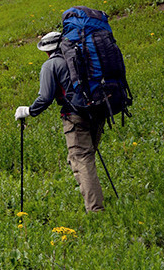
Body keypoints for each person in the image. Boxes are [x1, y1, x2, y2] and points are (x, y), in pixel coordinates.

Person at [14, 30, 104, 212]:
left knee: (81, 159)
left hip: (75, 116)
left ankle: (95, 210)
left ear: (47, 50)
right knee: (83, 157)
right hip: (98, 110)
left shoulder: (51, 65)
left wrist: (28, 111)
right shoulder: (81, 55)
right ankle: (92, 198)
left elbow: (45, 98)